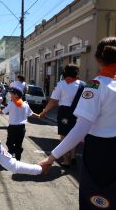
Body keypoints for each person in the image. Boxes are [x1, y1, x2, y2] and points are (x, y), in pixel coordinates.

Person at [39, 37, 116, 209]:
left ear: (98, 59)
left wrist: (51, 157)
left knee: (96, 202)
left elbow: (80, 128)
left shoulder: (96, 86)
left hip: (101, 154)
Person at [40, 64, 85, 167]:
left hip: (64, 112)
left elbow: (53, 101)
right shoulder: (83, 84)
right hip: (78, 112)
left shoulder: (61, 84)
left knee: (64, 136)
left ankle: (66, 160)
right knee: (74, 134)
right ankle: (73, 156)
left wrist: (45, 111)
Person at [0, 87, 40, 160]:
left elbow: (2, 111)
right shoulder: (25, 104)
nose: (10, 95)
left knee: (9, 143)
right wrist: (39, 116)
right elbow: (32, 114)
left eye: (12, 94)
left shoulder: (12, 104)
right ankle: (17, 158)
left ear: (16, 95)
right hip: (22, 128)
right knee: (18, 144)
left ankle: (13, 153)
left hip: (13, 128)